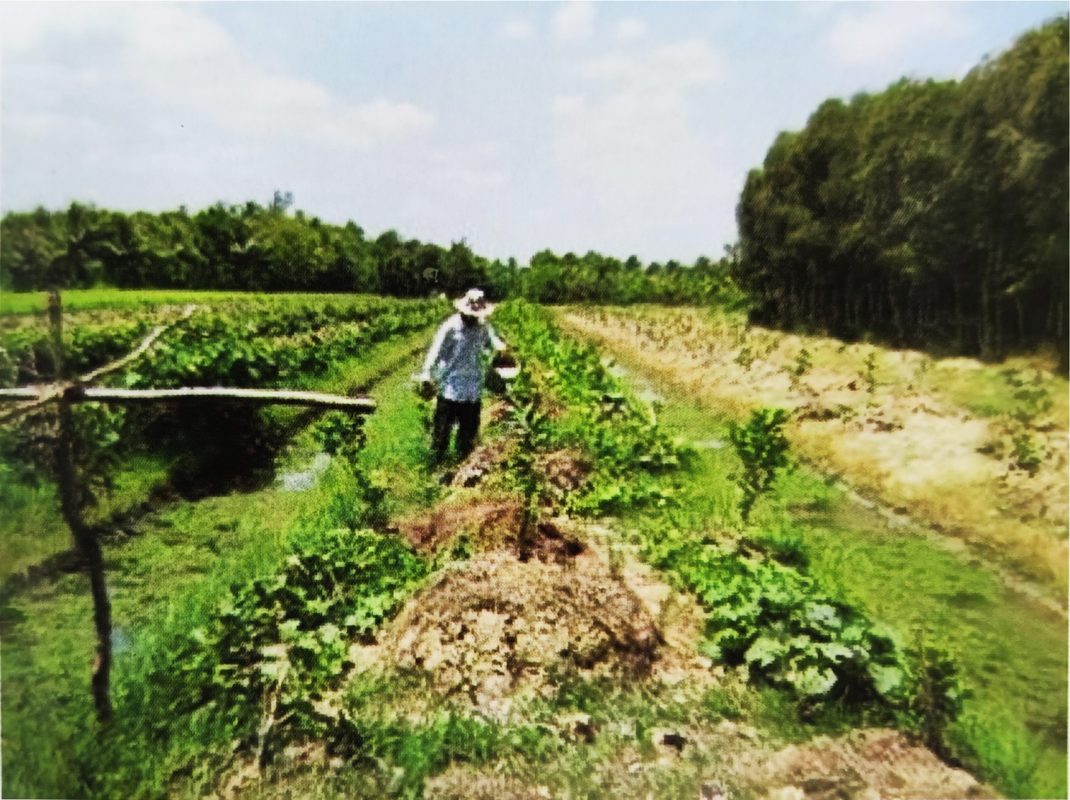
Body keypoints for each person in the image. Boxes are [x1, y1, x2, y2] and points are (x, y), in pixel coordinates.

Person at [418, 288, 507, 465]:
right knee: (441, 434)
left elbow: (493, 343)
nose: (473, 318)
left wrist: (501, 349)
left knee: (468, 437)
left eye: (476, 315)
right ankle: (436, 467)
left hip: (473, 389)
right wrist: (427, 374)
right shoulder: (450, 327)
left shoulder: (483, 328)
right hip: (450, 388)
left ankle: (461, 470)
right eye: (470, 315)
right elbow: (435, 351)